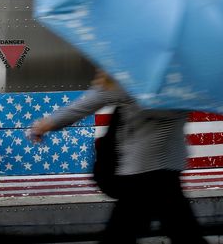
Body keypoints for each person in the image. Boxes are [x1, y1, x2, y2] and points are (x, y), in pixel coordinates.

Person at [29, 70, 208, 244]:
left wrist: (44, 125)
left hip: (140, 172)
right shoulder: (181, 80)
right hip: (168, 169)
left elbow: (82, 107)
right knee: (184, 233)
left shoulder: (130, 80)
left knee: (122, 236)